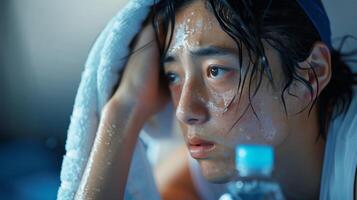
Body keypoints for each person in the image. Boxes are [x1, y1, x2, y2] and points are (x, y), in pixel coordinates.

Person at [74, 0, 357, 199]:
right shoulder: (221, 163)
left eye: (216, 70)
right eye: (173, 76)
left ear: (310, 75)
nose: (184, 111)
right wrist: (124, 109)